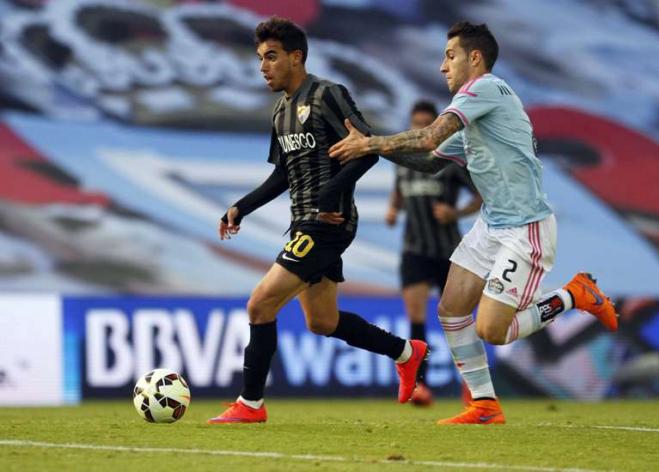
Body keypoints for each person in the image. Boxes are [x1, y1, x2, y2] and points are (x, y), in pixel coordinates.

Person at [329, 21, 618, 424]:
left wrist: (372, 143)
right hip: (491, 226)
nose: (442, 67)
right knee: (451, 309)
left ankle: (575, 294)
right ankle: (484, 404)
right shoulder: (478, 117)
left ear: (475, 58)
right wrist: (375, 148)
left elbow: (429, 137)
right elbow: (430, 162)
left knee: (492, 330)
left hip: (525, 227)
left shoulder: (484, 90)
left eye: (450, 56)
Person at [207, 17, 428, 424]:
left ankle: (250, 404)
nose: (263, 67)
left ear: (297, 57)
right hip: (302, 222)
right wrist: (241, 207)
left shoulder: (328, 94)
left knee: (260, 305)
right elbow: (282, 175)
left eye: (271, 57)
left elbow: (367, 149)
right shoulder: (279, 112)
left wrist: (330, 193)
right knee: (322, 322)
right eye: (259, 59)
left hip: (327, 222)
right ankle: (405, 352)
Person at [385, 100, 482, 406]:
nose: (420, 129)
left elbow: (481, 195)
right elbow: (399, 191)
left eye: (427, 124)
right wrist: (393, 208)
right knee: (416, 318)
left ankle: (473, 385)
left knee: (457, 318)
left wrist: (455, 213)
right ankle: (420, 386)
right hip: (414, 249)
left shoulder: (449, 162)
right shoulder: (404, 161)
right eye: (417, 124)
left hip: (448, 251)